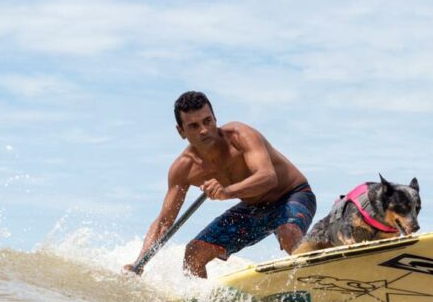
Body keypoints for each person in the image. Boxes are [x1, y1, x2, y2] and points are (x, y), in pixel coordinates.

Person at [124, 91, 316, 278]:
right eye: (193, 126)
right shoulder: (184, 168)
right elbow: (164, 222)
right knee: (194, 253)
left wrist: (227, 191)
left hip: (293, 195)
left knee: (287, 232)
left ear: (215, 119)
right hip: (253, 208)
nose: (204, 130)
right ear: (181, 131)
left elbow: (267, 177)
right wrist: (139, 262)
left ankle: (317, 282)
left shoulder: (239, 135)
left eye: (208, 121)